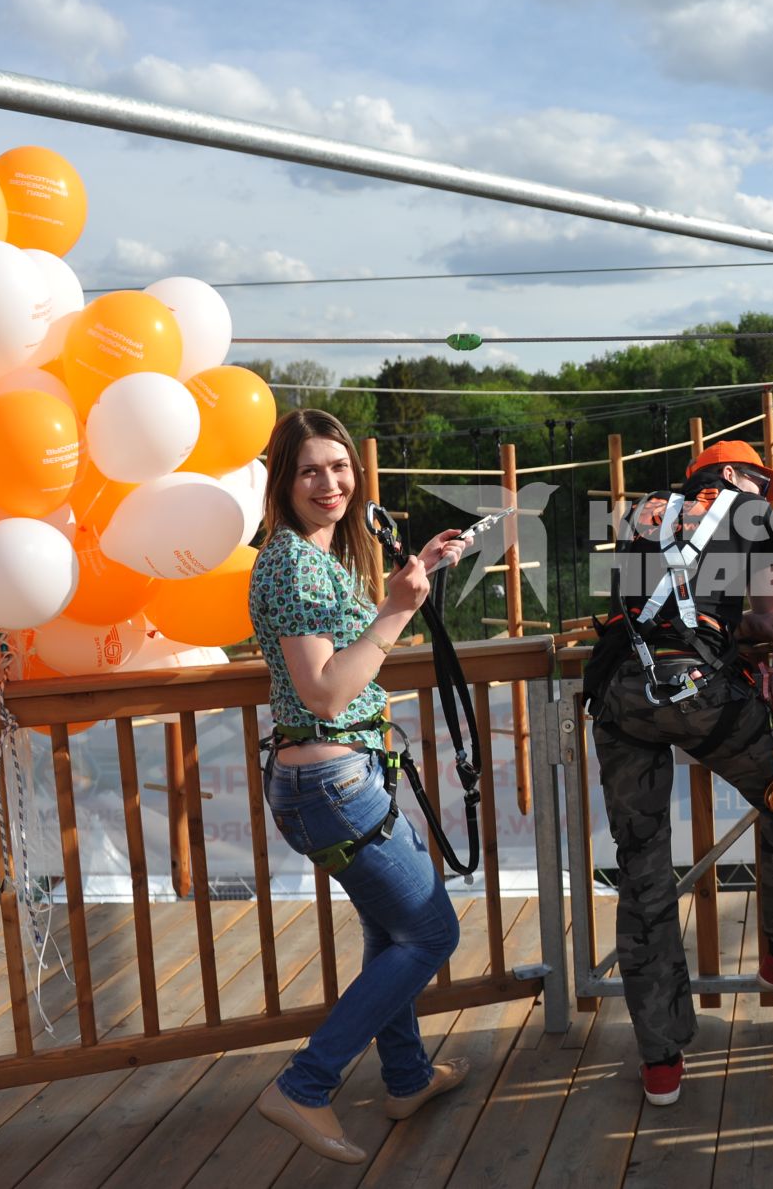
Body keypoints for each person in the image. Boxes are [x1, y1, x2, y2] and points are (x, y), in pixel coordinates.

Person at [248, 409, 472, 1164]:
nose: (331, 482)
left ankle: (405, 1076)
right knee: (434, 932)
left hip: (341, 778)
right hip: (331, 782)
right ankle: (305, 1084)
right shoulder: (293, 564)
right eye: (311, 469)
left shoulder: (313, 556)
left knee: (393, 930)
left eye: (340, 467)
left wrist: (420, 576)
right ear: (283, 479)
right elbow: (324, 692)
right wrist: (400, 611)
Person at [583, 440, 773, 1107]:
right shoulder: (758, 513)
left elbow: (647, 608)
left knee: (643, 867)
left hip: (622, 692)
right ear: (740, 476)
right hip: (700, 693)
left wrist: (725, 624)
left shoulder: (641, 512)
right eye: (762, 481)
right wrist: (769, 629)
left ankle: (660, 1059)